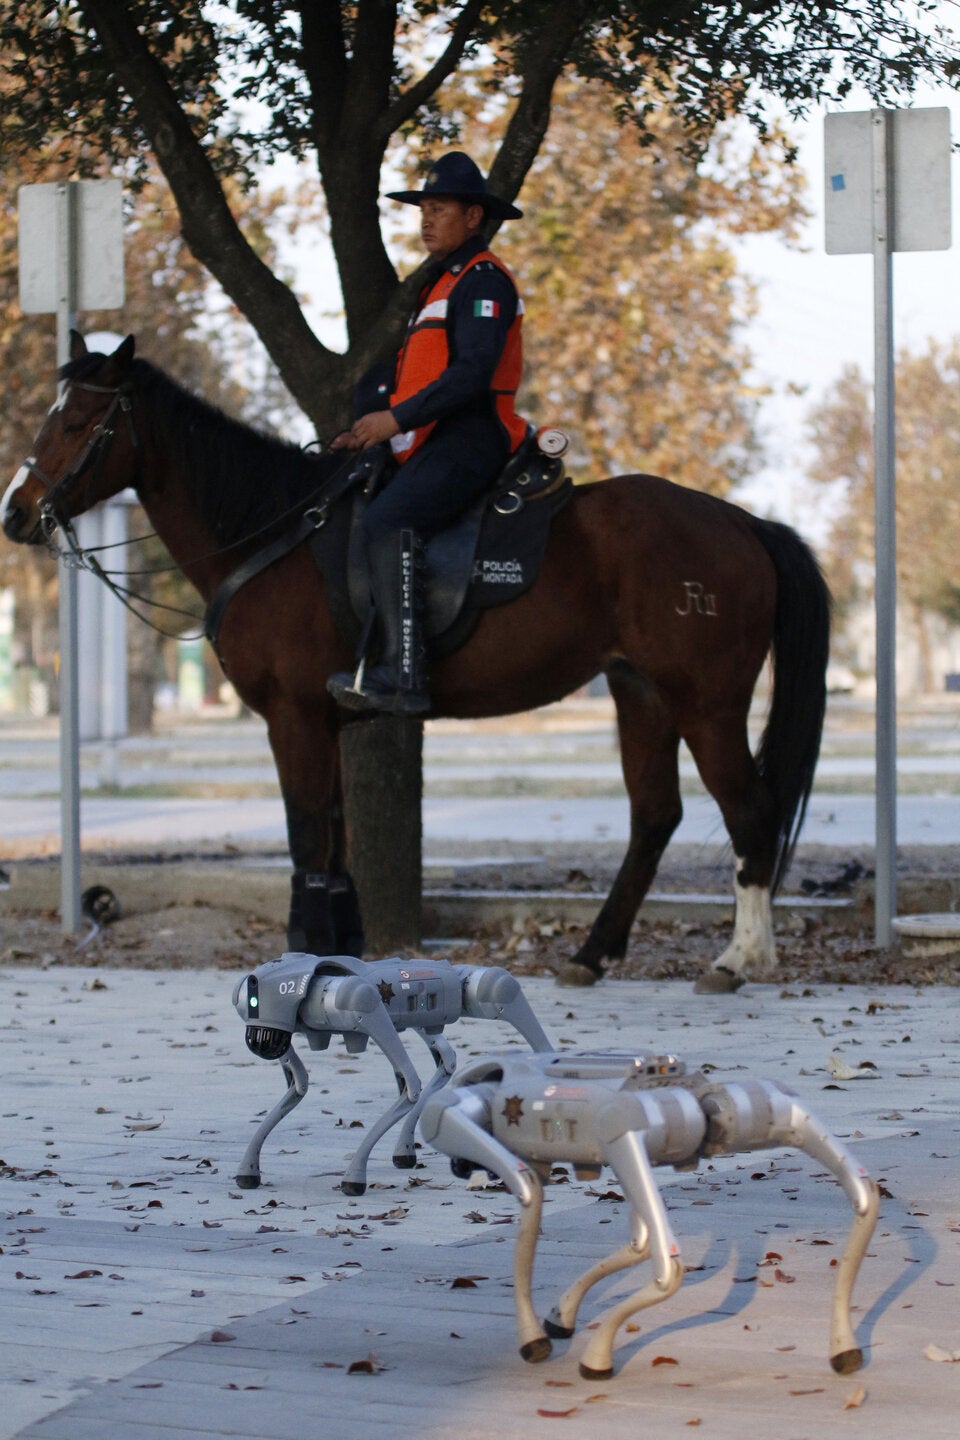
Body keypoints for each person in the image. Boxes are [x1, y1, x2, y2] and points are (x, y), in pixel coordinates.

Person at [326, 152, 527, 716]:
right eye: (425, 209)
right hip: (432, 437)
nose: (427, 218)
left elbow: (470, 376)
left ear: (473, 218)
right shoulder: (441, 285)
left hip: (473, 436)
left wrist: (395, 420)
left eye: (440, 209)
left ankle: (404, 674)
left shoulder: (485, 280)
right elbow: (409, 377)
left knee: (390, 520)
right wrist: (368, 429)